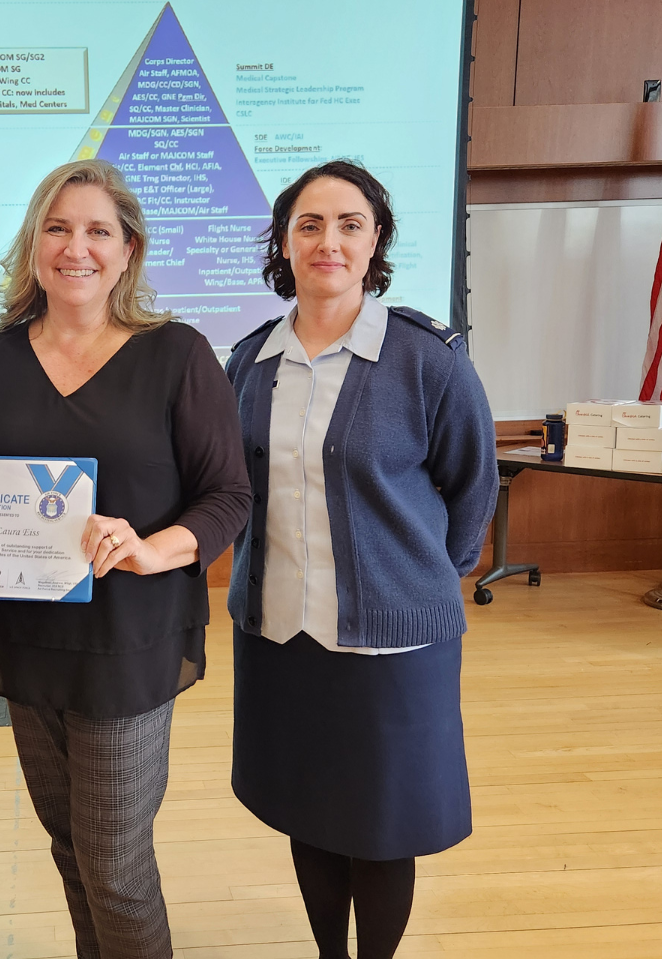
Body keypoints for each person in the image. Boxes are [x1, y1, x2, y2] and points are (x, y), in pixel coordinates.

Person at [0, 159, 250, 956]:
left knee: (113, 863)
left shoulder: (177, 355)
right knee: (71, 852)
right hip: (24, 645)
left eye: (97, 231)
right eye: (57, 227)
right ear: (34, 246)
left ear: (127, 251)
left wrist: (152, 549)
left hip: (129, 645)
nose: (75, 247)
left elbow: (227, 497)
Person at [224, 161, 498, 959]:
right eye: (310, 224)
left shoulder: (427, 360)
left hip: (391, 645)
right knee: (309, 812)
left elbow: (471, 484)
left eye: (349, 224)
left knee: (382, 827)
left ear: (375, 240)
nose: (329, 241)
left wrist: (413, 580)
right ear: (284, 240)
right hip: (281, 635)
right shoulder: (249, 363)